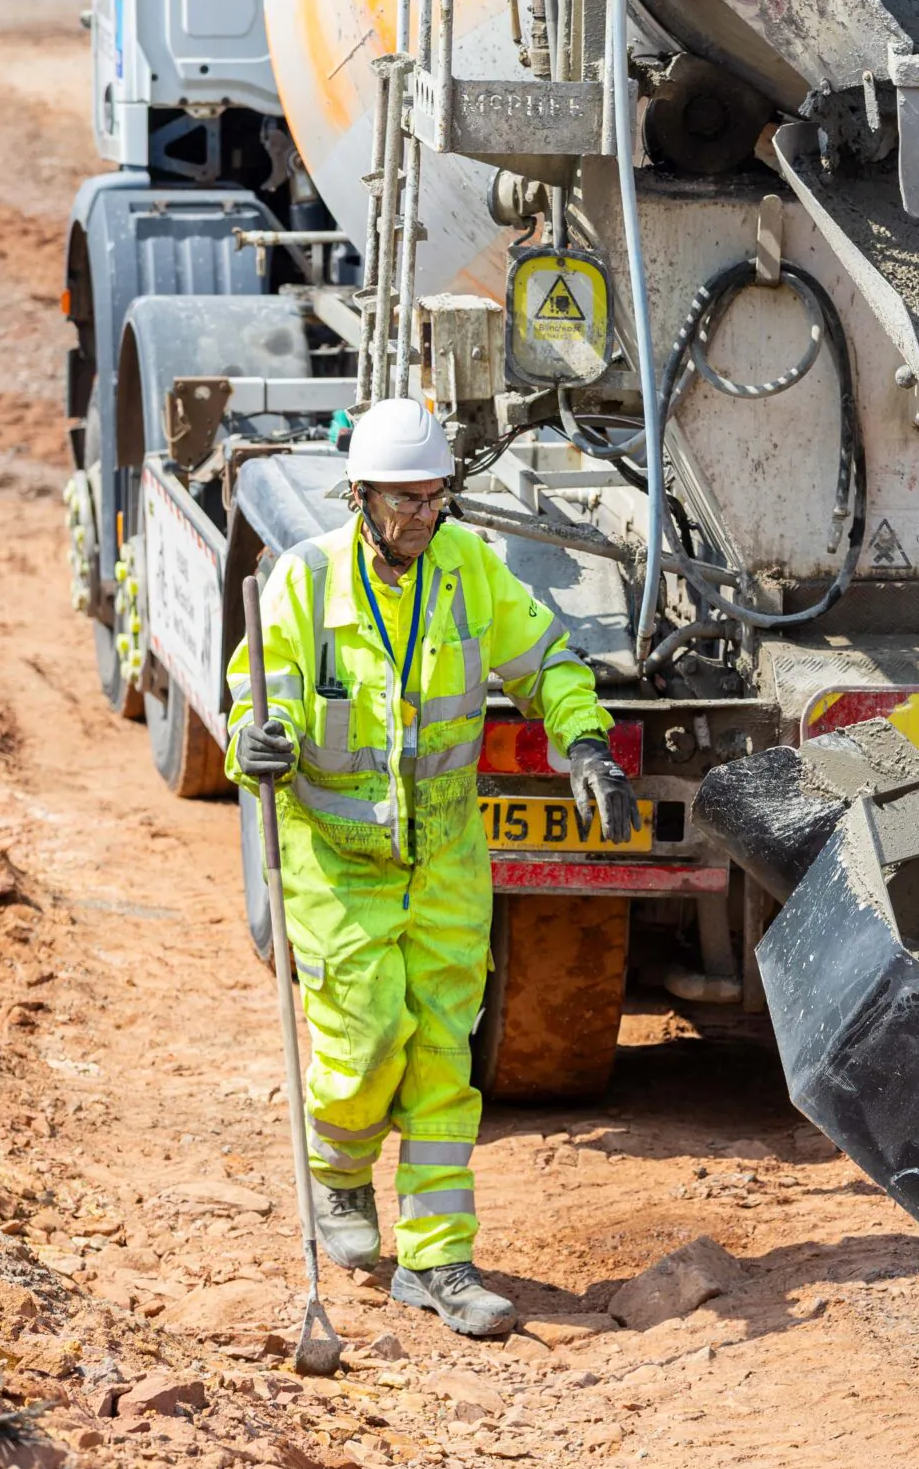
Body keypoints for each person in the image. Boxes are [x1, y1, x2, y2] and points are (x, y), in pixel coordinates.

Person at [224, 396, 638, 1338]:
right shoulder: (304, 582)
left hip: (445, 857)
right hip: (336, 859)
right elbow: (259, 696)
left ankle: (439, 1261)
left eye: (434, 496)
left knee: (443, 1057)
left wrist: (585, 745)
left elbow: (547, 661)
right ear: (360, 496)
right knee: (367, 1040)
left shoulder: (467, 572)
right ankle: (337, 1176)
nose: (422, 514)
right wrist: (260, 742)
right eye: (404, 499)